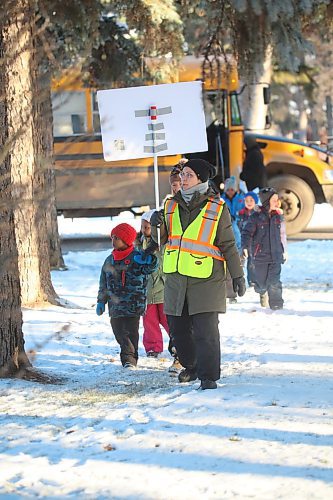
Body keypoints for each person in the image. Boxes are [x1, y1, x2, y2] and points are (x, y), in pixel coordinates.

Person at [150, 159, 246, 390]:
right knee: (178, 330)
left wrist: (238, 275)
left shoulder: (217, 207)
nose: (183, 179)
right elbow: (161, 240)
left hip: (206, 279)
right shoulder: (170, 205)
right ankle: (191, 365)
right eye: (182, 175)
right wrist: (156, 226)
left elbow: (228, 244)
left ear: (201, 179)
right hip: (176, 280)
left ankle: (208, 375)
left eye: (189, 175)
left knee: (206, 332)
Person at [96, 223, 158, 368]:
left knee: (130, 331)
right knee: (118, 330)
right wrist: (101, 301)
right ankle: (127, 353)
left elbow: (150, 268)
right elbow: (103, 282)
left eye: (117, 237)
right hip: (115, 304)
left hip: (134, 303)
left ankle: (129, 359)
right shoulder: (110, 260)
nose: (113, 240)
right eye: (112, 237)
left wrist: (151, 260)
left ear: (126, 239)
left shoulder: (137, 256)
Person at [241, 187, 287, 310]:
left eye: (278, 200)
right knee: (261, 283)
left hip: (276, 255)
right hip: (260, 255)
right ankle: (262, 292)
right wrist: (245, 247)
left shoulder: (278, 216)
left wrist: (284, 250)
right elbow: (246, 233)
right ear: (267, 201)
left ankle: (276, 304)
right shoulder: (256, 217)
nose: (277, 203)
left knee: (275, 282)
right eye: (274, 200)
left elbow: (282, 235)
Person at [221, 176, 244, 303]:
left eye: (232, 189)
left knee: (237, 268)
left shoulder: (240, 199)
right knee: (228, 271)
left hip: (238, 232)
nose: (230, 191)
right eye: (228, 189)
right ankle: (230, 294)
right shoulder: (222, 200)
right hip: (228, 231)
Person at [238, 191, 259, 286]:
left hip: (255, 242)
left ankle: (252, 280)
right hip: (243, 241)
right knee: (241, 261)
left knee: (252, 262)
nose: (249, 202)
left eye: (251, 200)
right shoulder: (241, 213)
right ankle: (239, 280)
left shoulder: (258, 214)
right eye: (247, 200)